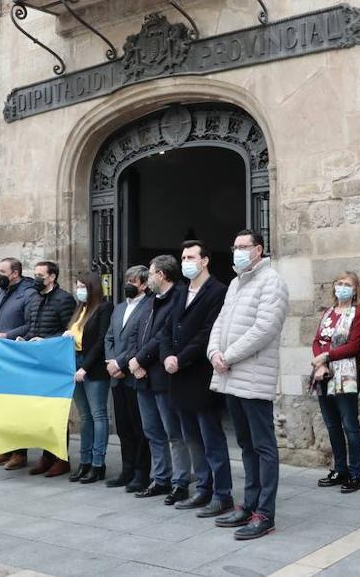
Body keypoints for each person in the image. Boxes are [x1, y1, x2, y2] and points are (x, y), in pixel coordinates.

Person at [208, 230, 288, 541]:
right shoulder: (234, 283)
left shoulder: (272, 282)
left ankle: (265, 513)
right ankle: (249, 503)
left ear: (259, 249)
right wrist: (214, 352)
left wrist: (227, 355)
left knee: (263, 447)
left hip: (254, 378)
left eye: (244, 246)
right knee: (245, 445)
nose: (238, 251)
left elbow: (265, 328)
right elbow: (220, 322)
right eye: (235, 246)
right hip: (230, 376)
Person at [161, 242, 234, 516]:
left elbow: (208, 332)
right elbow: (167, 327)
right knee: (191, 436)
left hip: (202, 374)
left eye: (191, 257)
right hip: (178, 375)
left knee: (211, 437)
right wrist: (167, 355)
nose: (185, 261)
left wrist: (181, 358)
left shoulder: (218, 292)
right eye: (183, 257)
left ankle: (222, 493)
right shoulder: (181, 292)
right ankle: (203, 488)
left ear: (204, 261)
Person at [130, 255, 192, 501]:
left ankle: (180, 481)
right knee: (152, 431)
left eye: (151, 273)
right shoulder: (149, 300)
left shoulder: (178, 298)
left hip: (162, 375)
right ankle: (161, 478)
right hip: (142, 374)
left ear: (162, 275)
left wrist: (140, 360)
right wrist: (134, 362)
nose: (148, 278)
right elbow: (138, 333)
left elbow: (162, 337)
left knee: (173, 432)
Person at [310, 271, 360, 493]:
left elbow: (353, 346)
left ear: (355, 290)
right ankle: (339, 468)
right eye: (339, 283)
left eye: (347, 284)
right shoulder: (328, 313)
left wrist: (327, 357)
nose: (341, 287)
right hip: (322, 374)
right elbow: (317, 340)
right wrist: (320, 363)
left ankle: (355, 473)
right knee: (332, 424)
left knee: (349, 425)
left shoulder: (359, 314)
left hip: (345, 376)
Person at [0, 258, 37, 467]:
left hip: (15, 355)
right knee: (0, 404)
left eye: (3, 271)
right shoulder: (2, 292)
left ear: (15, 273)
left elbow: (31, 325)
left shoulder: (28, 293)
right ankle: (2, 449)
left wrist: (8, 335)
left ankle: (19, 454)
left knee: (15, 406)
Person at [21, 260, 75, 476]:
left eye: (40, 275)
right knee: (39, 412)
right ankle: (46, 456)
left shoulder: (64, 300)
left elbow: (67, 332)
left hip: (54, 363)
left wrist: (43, 341)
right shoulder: (33, 298)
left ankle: (62, 458)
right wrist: (23, 339)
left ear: (52, 276)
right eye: (35, 274)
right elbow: (31, 327)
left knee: (57, 412)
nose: (36, 279)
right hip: (34, 362)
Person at [104, 265, 152, 491]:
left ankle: (142, 473)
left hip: (133, 374)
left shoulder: (149, 306)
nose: (128, 284)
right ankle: (127, 469)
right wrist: (111, 362)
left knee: (138, 426)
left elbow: (139, 342)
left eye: (133, 281)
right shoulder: (118, 308)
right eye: (127, 280)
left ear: (143, 284)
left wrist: (121, 363)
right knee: (123, 426)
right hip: (116, 375)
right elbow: (109, 337)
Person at [67, 271, 113, 484]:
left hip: (92, 367)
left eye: (82, 287)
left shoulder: (103, 308)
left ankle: (97, 463)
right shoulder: (80, 309)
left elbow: (101, 341)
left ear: (92, 287)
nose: (79, 290)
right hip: (74, 364)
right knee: (85, 416)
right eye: (77, 287)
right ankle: (84, 461)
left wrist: (84, 367)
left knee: (98, 415)